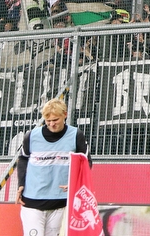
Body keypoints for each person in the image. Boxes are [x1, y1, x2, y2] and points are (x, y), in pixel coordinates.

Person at [17, 99, 90, 236]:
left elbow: (85, 162)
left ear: (65, 114)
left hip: (60, 202)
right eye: (47, 120)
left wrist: (75, 183)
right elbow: (23, 159)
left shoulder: (76, 135)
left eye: (55, 120)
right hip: (32, 201)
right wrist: (21, 184)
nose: (51, 124)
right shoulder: (32, 136)